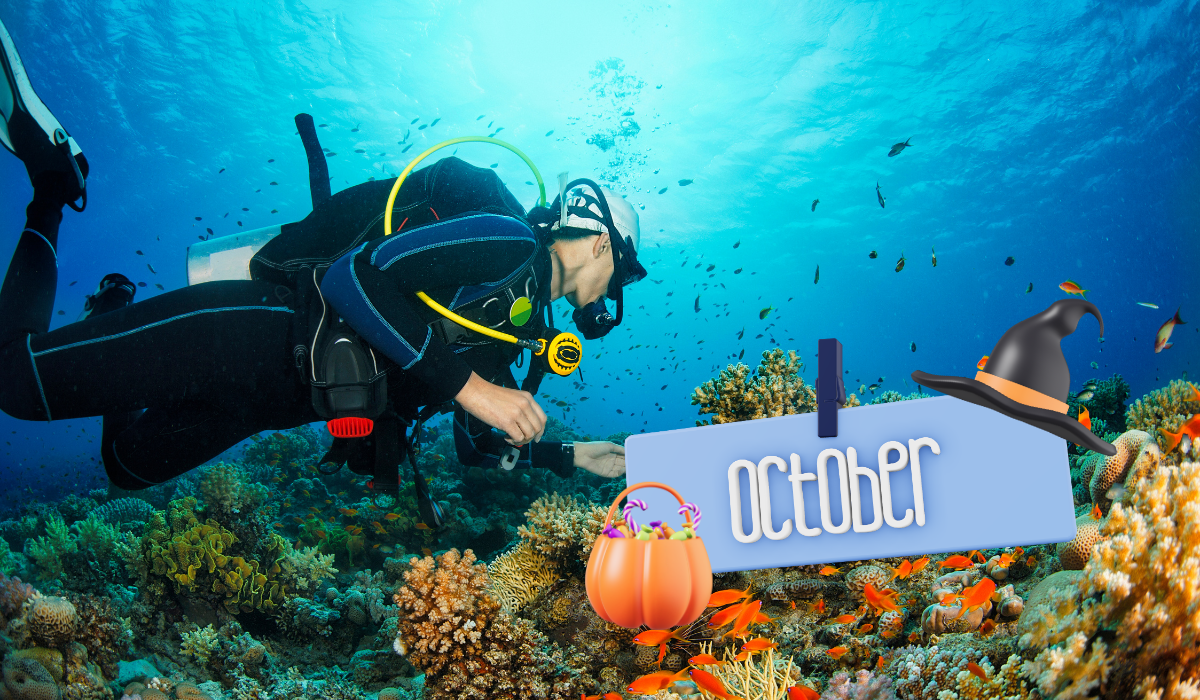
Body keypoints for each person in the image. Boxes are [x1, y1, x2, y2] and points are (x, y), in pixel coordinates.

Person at [0, 18, 641, 523]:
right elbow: (353, 278)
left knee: (126, 466)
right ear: (601, 247)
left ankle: (110, 309)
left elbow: (475, 448)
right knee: (14, 382)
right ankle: (53, 188)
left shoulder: (519, 328)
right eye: (622, 271)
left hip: (270, 403)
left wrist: (568, 455)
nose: (615, 291)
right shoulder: (505, 241)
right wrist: (475, 389)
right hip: (257, 332)